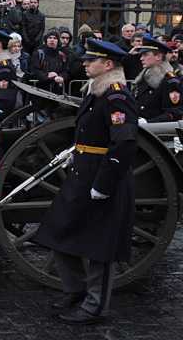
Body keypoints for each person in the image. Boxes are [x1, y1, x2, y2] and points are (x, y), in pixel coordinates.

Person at [33, 38, 137, 325]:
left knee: (100, 247)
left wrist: (104, 185)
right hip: (82, 174)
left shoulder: (117, 97)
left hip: (105, 180)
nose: (85, 63)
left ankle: (95, 306)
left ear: (108, 65)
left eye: (91, 60)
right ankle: (75, 291)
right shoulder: (97, 94)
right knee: (59, 231)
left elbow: (124, 145)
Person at [133, 36, 183, 122]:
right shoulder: (145, 76)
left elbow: (174, 113)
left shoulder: (170, 81)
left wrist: (148, 123)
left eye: (145, 55)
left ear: (158, 57)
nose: (141, 58)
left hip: (156, 132)